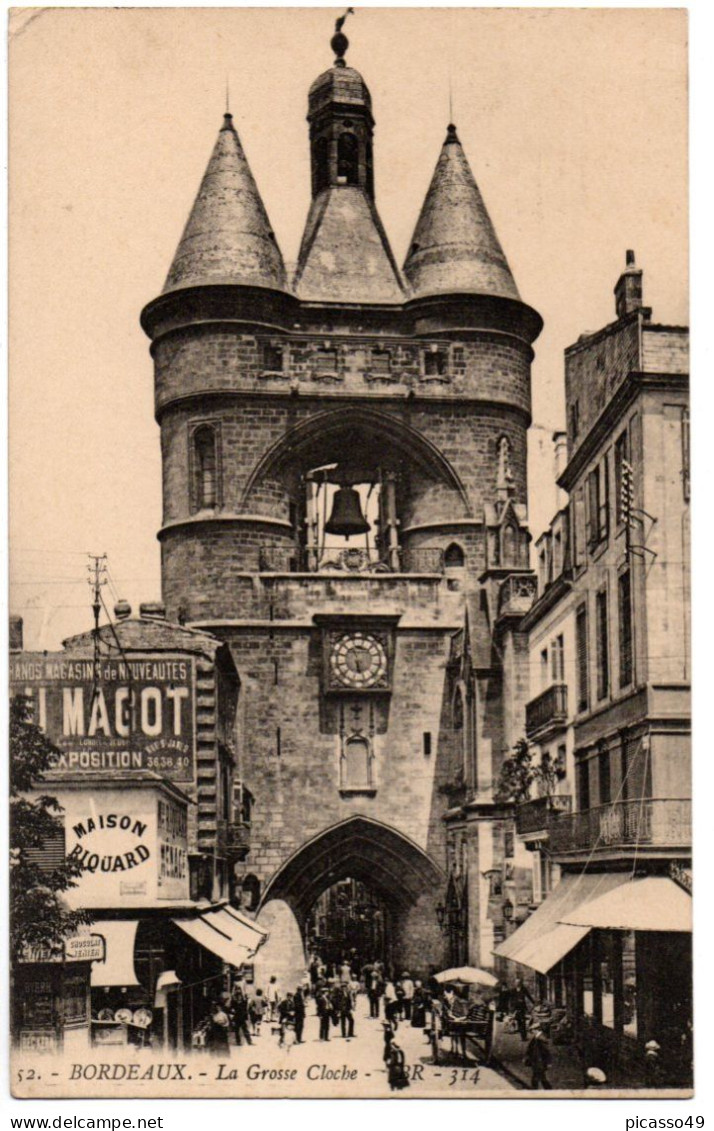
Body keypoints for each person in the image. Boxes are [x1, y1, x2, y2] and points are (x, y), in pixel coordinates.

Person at [524, 1023, 552, 1089]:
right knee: (540, 1078)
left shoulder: (541, 1039)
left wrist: (548, 1062)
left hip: (540, 1062)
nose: (531, 1032)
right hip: (536, 1061)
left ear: (537, 1030)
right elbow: (530, 1048)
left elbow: (546, 1052)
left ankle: (536, 1091)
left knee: (539, 1078)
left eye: (532, 1030)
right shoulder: (536, 1038)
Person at [511, 976, 534, 1041]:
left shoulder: (524, 989)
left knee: (522, 1021)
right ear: (515, 983)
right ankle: (522, 1035)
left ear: (520, 983)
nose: (517, 983)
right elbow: (511, 999)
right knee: (518, 1021)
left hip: (522, 1007)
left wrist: (533, 1002)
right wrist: (512, 1007)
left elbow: (528, 996)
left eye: (518, 982)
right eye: (516, 982)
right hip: (516, 1008)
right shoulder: (513, 990)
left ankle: (524, 1036)